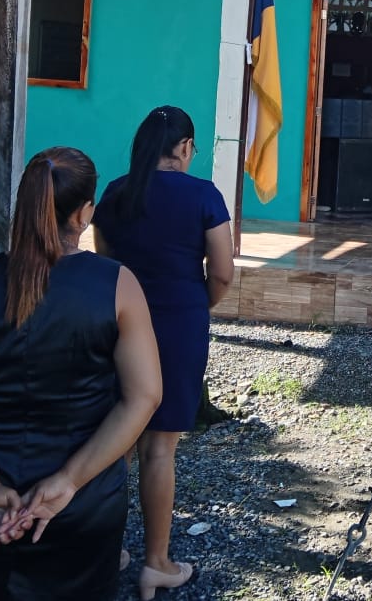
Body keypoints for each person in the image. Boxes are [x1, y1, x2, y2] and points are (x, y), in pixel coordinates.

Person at [0, 147, 163, 600]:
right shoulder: (117, 286)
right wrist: (69, 480)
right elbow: (144, 396)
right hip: (83, 507)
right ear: (84, 213)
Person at [94, 106, 236, 599]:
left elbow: (106, 263)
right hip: (179, 325)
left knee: (115, 442)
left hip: (119, 326)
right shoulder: (203, 195)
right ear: (184, 148)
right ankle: (156, 563)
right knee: (159, 448)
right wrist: (198, 302)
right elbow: (222, 273)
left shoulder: (116, 193)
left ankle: (105, 550)